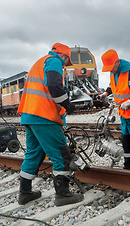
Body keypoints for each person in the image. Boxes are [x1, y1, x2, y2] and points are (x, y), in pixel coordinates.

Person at [17, 42, 84, 206]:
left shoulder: (39, 63)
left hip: (30, 116)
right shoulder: (54, 61)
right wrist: (68, 105)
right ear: (64, 56)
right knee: (61, 155)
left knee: (33, 154)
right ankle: (63, 195)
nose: (65, 66)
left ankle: (24, 193)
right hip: (44, 116)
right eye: (66, 62)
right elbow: (54, 85)